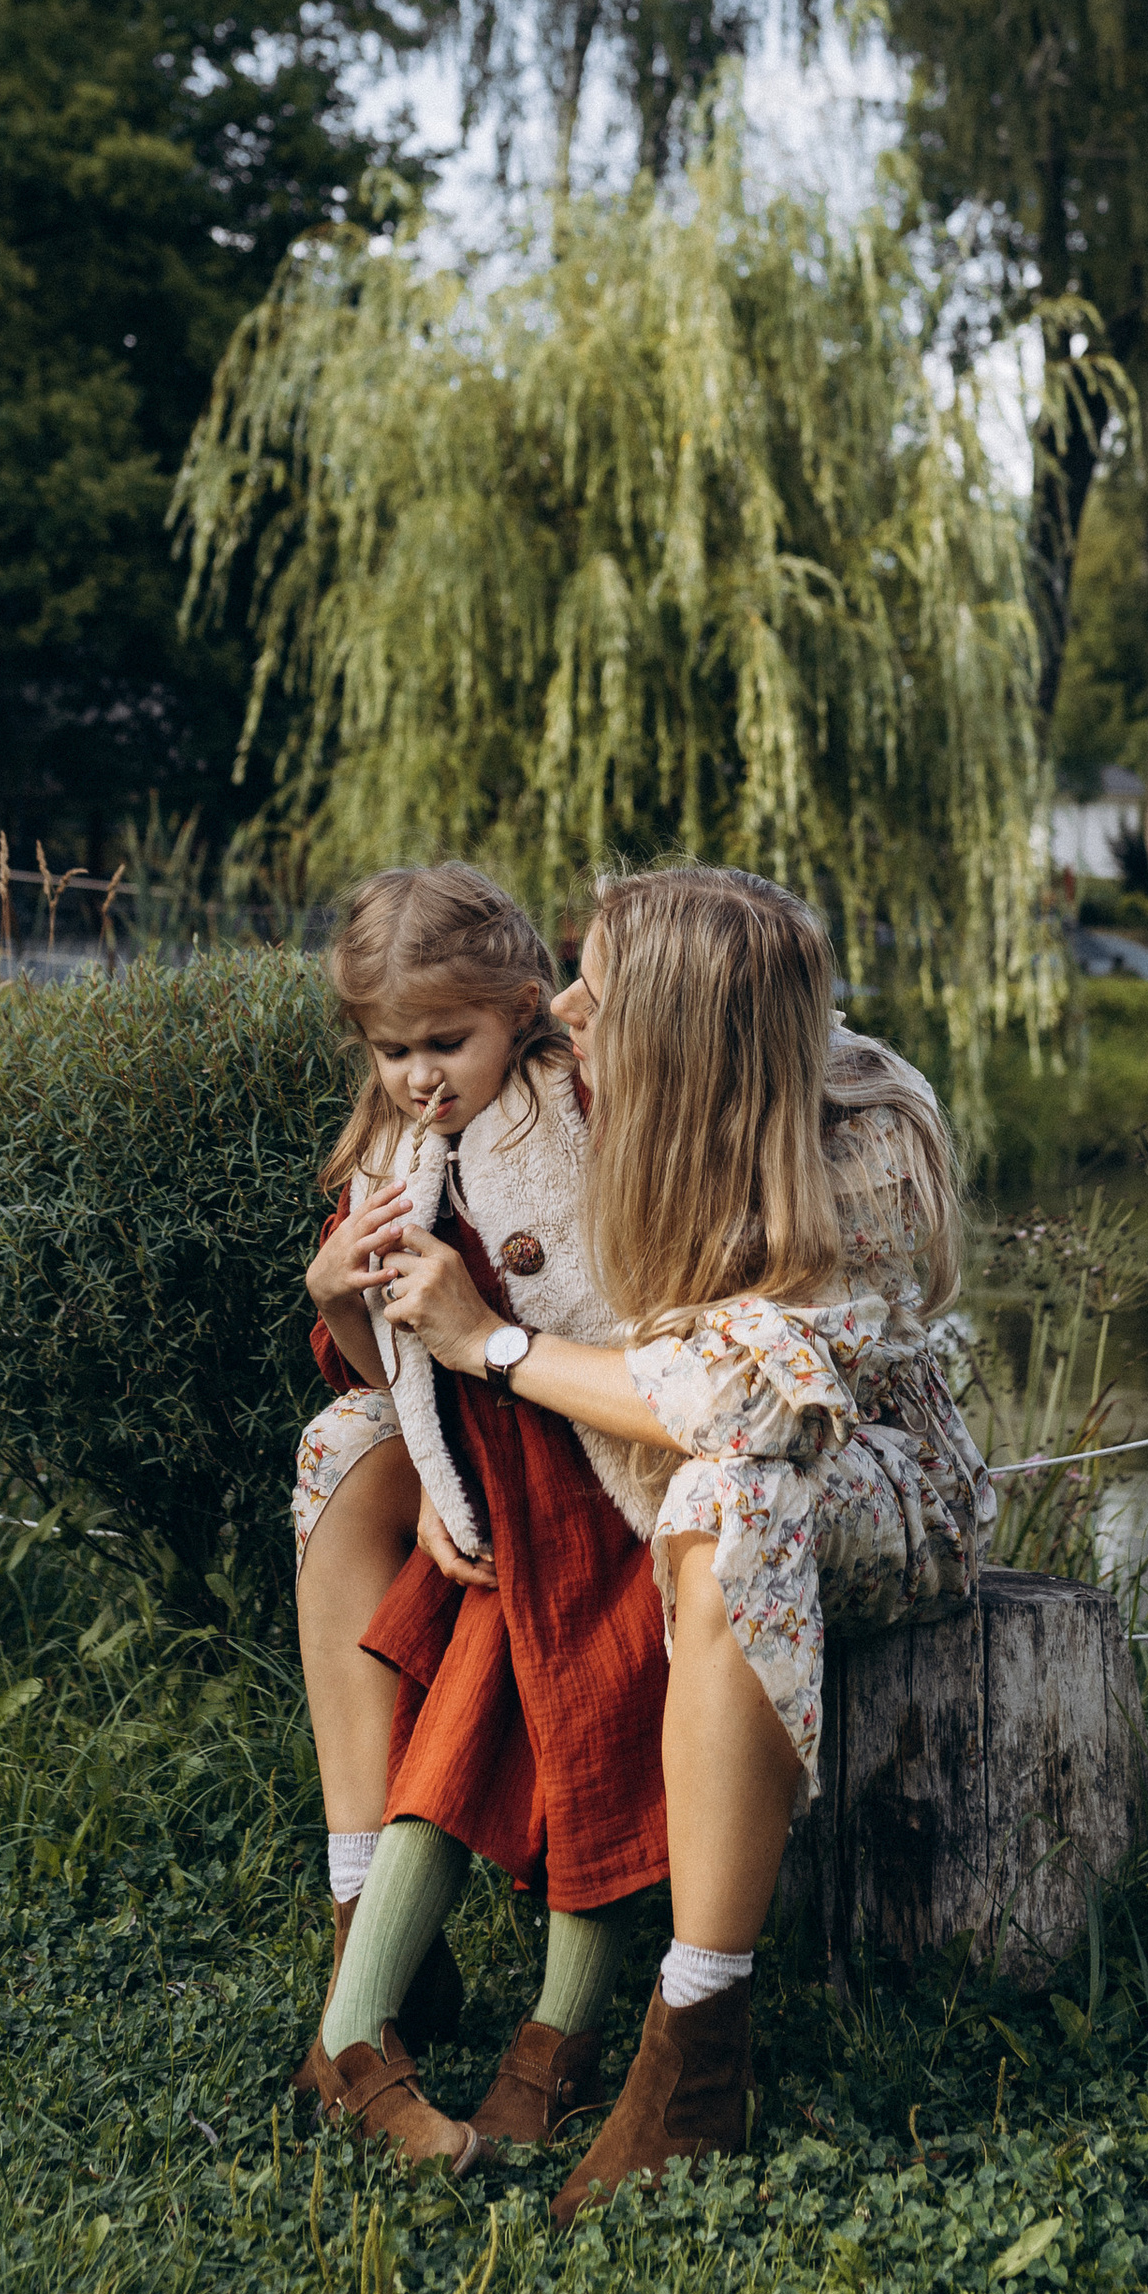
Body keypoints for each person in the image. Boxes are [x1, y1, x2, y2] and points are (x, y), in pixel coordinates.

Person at [375, 861, 992, 2218]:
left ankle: (695, 2037)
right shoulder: (601, 1083)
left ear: (685, 1029)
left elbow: (745, 1404)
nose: (567, 1002)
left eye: (602, 983)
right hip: (654, 1451)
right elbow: (422, 1161)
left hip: (877, 1472)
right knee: (344, 1453)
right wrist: (425, 1404)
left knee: (732, 1492)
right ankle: (366, 1934)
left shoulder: (865, 1135)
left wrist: (490, 1346)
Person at [291, 864, 670, 2172]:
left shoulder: (567, 1108)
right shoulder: (393, 1158)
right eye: (392, 1049)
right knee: (450, 1747)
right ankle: (354, 2034)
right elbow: (364, 1365)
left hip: (597, 1486)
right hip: (493, 1508)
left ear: (520, 1009)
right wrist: (337, 1287)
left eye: (445, 1042)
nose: (418, 1076)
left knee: (598, 1746)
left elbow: (629, 1291)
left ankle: (552, 2045)